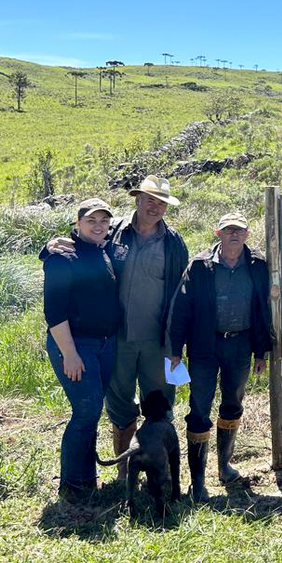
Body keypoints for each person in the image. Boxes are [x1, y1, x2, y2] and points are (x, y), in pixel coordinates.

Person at [45, 175, 189, 480]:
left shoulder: (174, 243)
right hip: (115, 341)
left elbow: (181, 295)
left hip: (156, 341)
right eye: (150, 199)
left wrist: (176, 343)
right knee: (120, 408)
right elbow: (80, 250)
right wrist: (50, 247)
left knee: (159, 406)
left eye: (162, 202)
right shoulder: (113, 232)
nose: (155, 207)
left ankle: (158, 471)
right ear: (137, 200)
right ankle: (124, 472)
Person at [167, 212, 272, 501]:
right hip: (204, 346)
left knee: (233, 404)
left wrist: (261, 351)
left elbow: (263, 309)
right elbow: (181, 308)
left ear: (247, 235)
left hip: (241, 344)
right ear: (218, 233)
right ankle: (197, 483)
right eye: (228, 230)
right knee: (199, 408)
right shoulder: (200, 266)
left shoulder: (258, 265)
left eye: (239, 230)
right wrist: (175, 350)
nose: (234, 235)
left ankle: (225, 466)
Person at [43, 198, 121, 501]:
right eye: (91, 220)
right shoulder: (62, 258)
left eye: (103, 220)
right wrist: (70, 353)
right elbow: (54, 312)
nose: (98, 226)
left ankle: (87, 479)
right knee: (86, 410)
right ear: (77, 224)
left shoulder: (103, 251)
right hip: (76, 345)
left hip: (105, 344)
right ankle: (72, 485)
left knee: (92, 411)